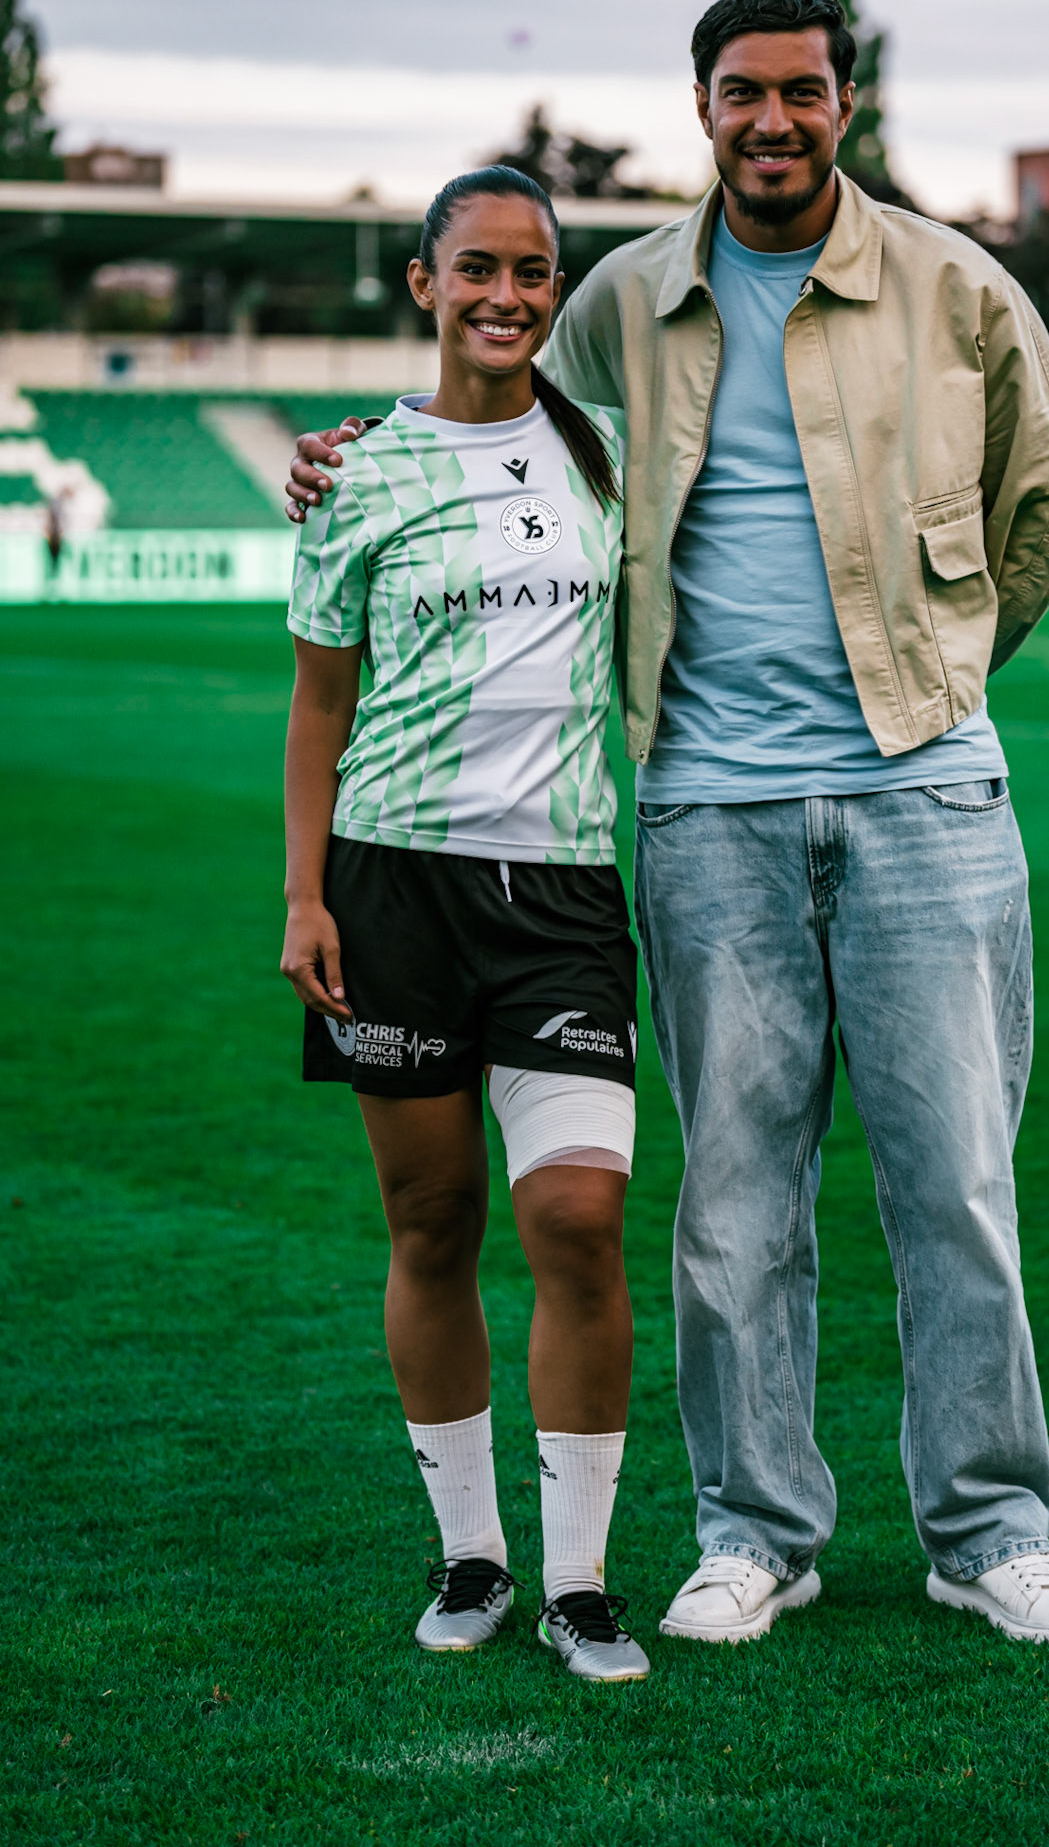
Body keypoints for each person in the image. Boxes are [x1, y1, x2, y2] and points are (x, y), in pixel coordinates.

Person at [287, 0, 1049, 1650]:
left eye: (801, 91)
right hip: (703, 814)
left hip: (926, 796)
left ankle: (989, 1533)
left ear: (843, 102)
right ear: (704, 107)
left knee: (955, 1186)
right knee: (733, 1199)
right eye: (742, 93)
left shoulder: (954, 286)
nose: (773, 120)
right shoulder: (620, 299)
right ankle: (755, 1532)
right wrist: (353, 453)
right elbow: (499, 418)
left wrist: (937, 671)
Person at [280, 165, 650, 1683]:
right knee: (431, 1221)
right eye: (477, 268)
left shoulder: (614, 455)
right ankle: (472, 1556)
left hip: (560, 888)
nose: (507, 296)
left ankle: (578, 1580)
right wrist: (303, 891)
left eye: (534, 273)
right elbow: (318, 700)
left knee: (576, 1217)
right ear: (424, 284)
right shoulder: (353, 473)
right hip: (391, 884)